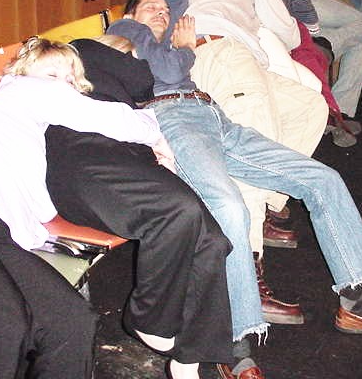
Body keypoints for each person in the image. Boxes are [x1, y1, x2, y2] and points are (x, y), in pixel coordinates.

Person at [82, 0, 362, 379]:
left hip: (212, 115)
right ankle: (233, 341)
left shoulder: (167, 29)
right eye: (150, 8)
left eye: (162, 11)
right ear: (130, 14)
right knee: (228, 206)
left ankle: (357, 302)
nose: (161, 13)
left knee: (322, 179)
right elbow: (168, 72)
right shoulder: (127, 32)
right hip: (173, 119)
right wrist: (185, 48)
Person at [0, 37, 174, 378]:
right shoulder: (22, 89)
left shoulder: (24, 128)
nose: (62, 83)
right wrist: (156, 132)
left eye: (70, 78)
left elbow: (40, 210)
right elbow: (105, 117)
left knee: (70, 322)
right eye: (52, 73)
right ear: (22, 71)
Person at [45, 36, 234, 379]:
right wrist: (136, 52)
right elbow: (143, 79)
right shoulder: (83, 49)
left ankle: (188, 361)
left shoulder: (110, 92)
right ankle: (149, 318)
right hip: (83, 153)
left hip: (131, 157)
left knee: (212, 242)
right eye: (128, 53)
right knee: (178, 212)